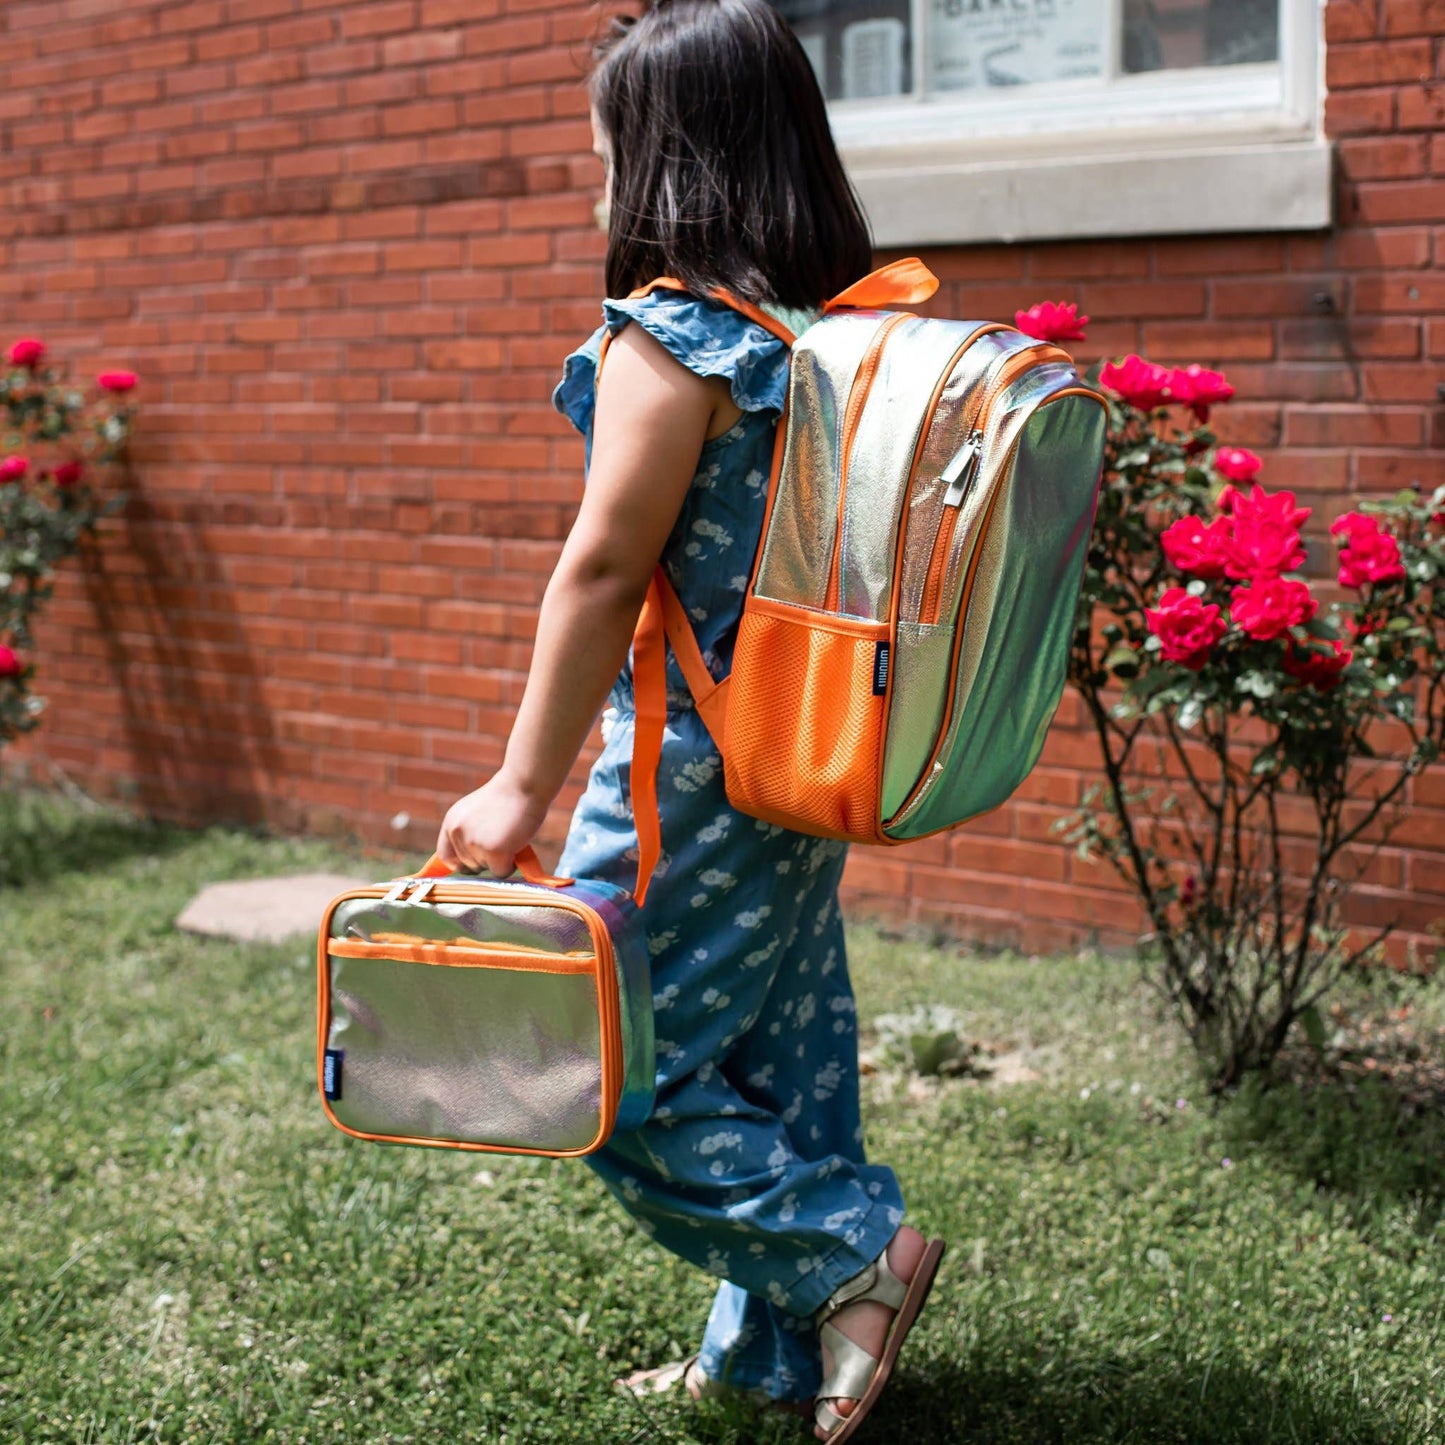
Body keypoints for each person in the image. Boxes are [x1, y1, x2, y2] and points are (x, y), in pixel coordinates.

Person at [435, 2, 943, 1436]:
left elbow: (601, 568)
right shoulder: (831, 341)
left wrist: (518, 785)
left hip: (685, 777)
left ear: (665, 161)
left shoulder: (672, 341)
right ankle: (770, 1354)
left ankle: (855, 1256)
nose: (596, 182)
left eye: (606, 150)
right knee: (777, 1057)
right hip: (798, 762)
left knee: (602, 1061)